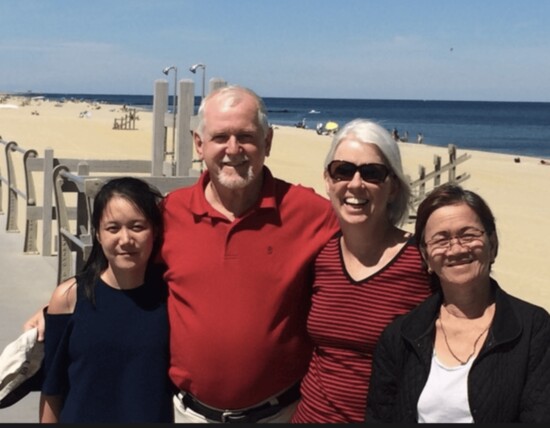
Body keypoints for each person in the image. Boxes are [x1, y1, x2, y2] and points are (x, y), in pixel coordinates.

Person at [25, 85, 339, 423]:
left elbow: (365, 262)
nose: (233, 149)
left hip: (279, 413)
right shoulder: (171, 214)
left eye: (246, 136)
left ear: (268, 142)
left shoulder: (313, 213)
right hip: (187, 415)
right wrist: (57, 312)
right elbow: (124, 269)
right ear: (199, 144)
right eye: (220, 137)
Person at [365, 183, 550, 423]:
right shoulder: (400, 337)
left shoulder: (534, 329)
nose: (456, 248)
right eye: (441, 240)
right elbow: (379, 418)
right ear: (426, 256)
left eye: (469, 235)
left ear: (492, 244)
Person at [290, 119, 435, 423]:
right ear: (328, 181)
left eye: (371, 173)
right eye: (343, 170)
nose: (355, 184)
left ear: (393, 187)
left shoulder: (422, 262)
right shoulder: (319, 255)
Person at [39, 177, 173, 423]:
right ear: (98, 235)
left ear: (154, 231)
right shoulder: (69, 297)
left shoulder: (171, 298)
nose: (125, 239)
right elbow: (52, 388)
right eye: (113, 228)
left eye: (137, 226)